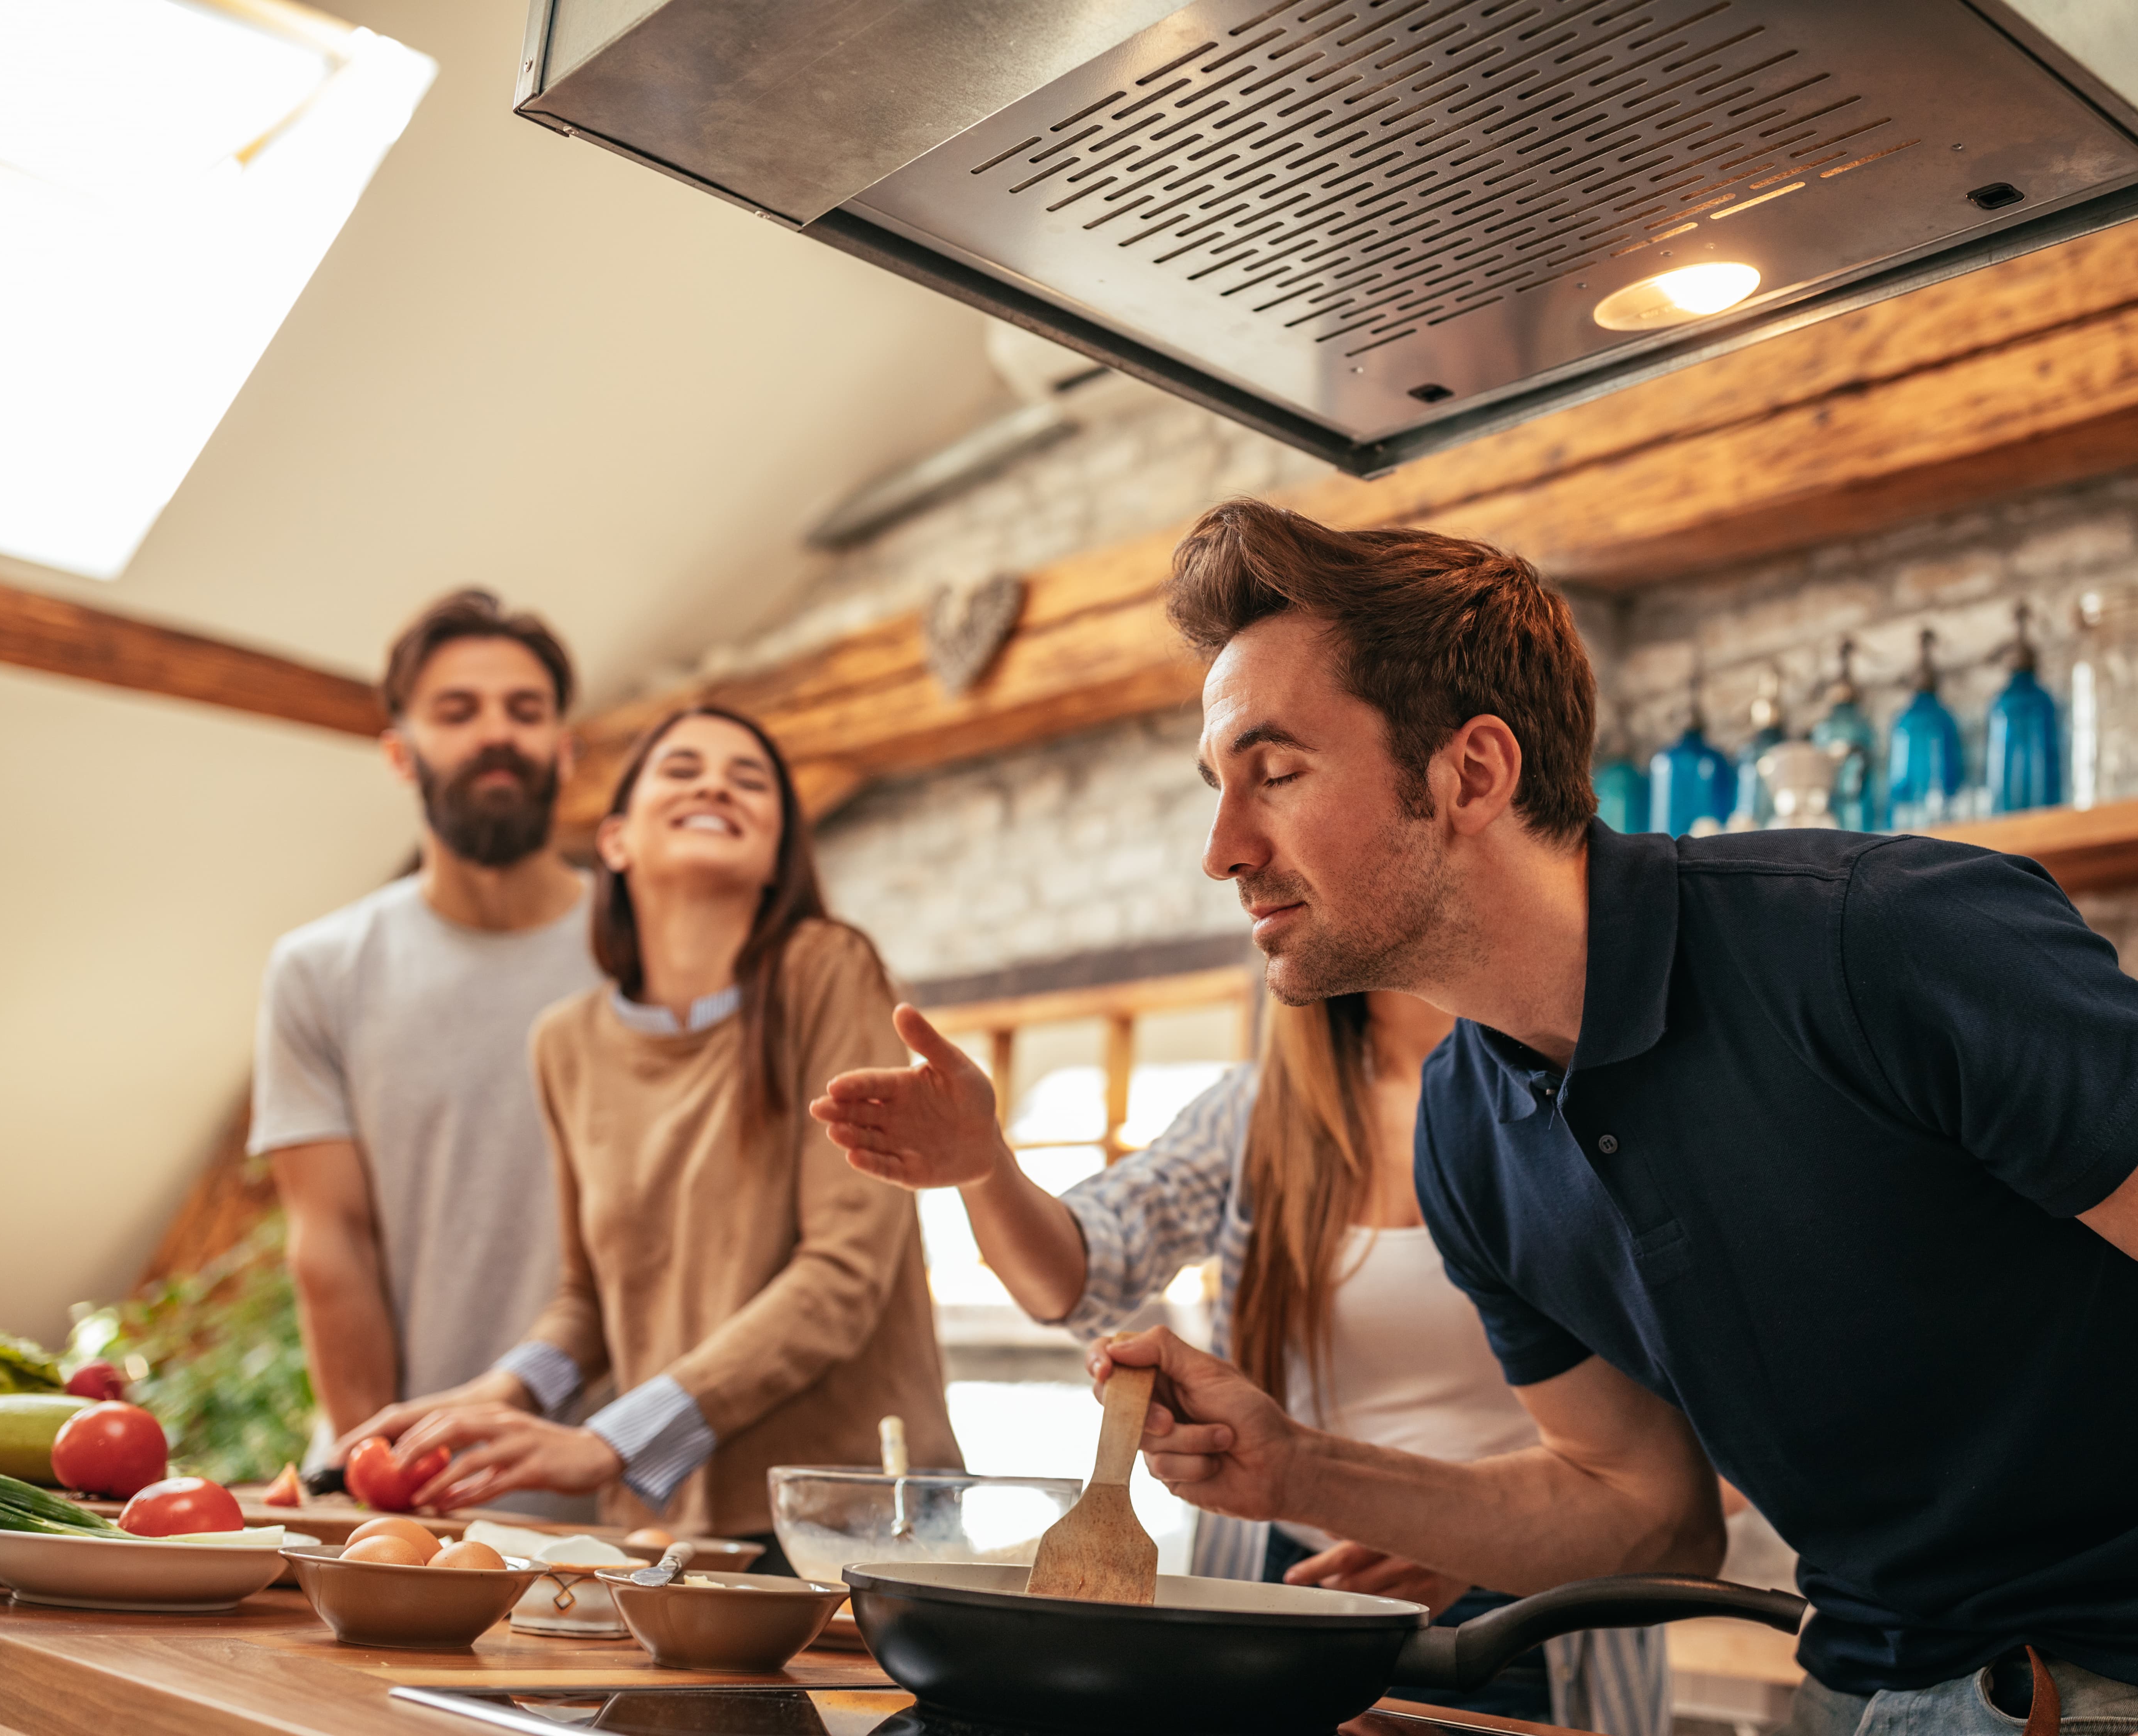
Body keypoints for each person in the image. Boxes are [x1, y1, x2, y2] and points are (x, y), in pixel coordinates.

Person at [814, 501, 2138, 1736]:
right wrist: (1294, 1461)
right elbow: (1636, 1505)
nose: (1223, 845)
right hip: (1871, 1696)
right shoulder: (1470, 1118)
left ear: (1470, 770)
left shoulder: (1880, 940)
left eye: (1276, 769)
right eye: (1213, 784)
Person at [821, 989, 1671, 1736]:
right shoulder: (1255, 1111)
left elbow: (1707, 1440)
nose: (1234, 858)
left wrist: (1469, 1537)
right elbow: (1083, 1273)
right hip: (1287, 1599)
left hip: (1538, 1610)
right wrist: (986, 1167)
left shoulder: (1589, 1095)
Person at [345, 706, 958, 1552]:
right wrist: (505, 1390)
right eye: (682, 769)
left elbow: (843, 1274)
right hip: (661, 1531)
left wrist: (610, 1442)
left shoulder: (828, 969)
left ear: (780, 851)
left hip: (856, 1519)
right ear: (616, 841)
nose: (715, 784)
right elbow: (588, 1299)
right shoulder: (565, 1041)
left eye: (750, 780)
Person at [254, 591, 599, 1497]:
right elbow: (332, 1240)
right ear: (401, 752)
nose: (497, 733)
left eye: (525, 711)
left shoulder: (656, 954)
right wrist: (384, 1472)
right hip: (426, 1487)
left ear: (565, 748)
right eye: (459, 710)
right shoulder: (320, 968)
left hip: (631, 1488)